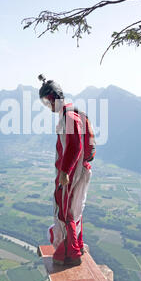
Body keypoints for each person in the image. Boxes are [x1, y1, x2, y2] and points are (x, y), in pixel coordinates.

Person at [38, 74, 95, 266]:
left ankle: (70, 254)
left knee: (65, 212)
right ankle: (75, 247)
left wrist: (65, 172)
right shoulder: (71, 113)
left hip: (72, 173)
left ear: (53, 98)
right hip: (77, 171)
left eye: (47, 102)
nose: (48, 106)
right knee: (73, 211)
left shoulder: (68, 116)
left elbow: (74, 146)